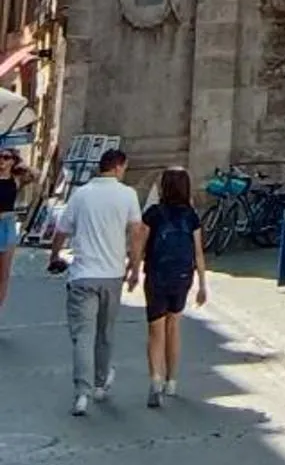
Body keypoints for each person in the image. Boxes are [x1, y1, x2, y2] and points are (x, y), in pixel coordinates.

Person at [52, 146, 144, 416]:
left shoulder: (81, 194)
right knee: (105, 333)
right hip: (112, 274)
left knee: (83, 335)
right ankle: (101, 383)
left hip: (83, 274)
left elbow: (61, 230)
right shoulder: (127, 194)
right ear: (118, 167)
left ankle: (82, 393)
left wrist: (55, 255)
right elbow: (136, 232)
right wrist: (134, 267)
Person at [132, 166, 206, 406]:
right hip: (182, 276)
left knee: (156, 330)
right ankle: (172, 381)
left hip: (157, 275)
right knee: (174, 326)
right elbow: (198, 252)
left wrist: (134, 271)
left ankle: (155, 380)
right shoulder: (190, 216)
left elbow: (139, 244)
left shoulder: (153, 214)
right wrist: (202, 284)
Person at [0, 148, 29, 318]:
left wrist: (20, 165)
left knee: (4, 274)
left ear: (12, 161)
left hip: (8, 224)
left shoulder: (16, 180)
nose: (2, 160)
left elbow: (35, 174)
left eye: (6, 157)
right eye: (0, 157)